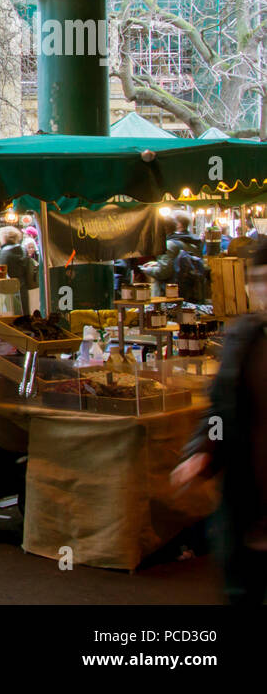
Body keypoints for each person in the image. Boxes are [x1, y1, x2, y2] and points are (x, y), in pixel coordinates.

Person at [172, 239, 267, 604]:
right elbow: (220, 409)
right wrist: (204, 450)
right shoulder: (243, 337)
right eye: (259, 280)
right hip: (247, 508)